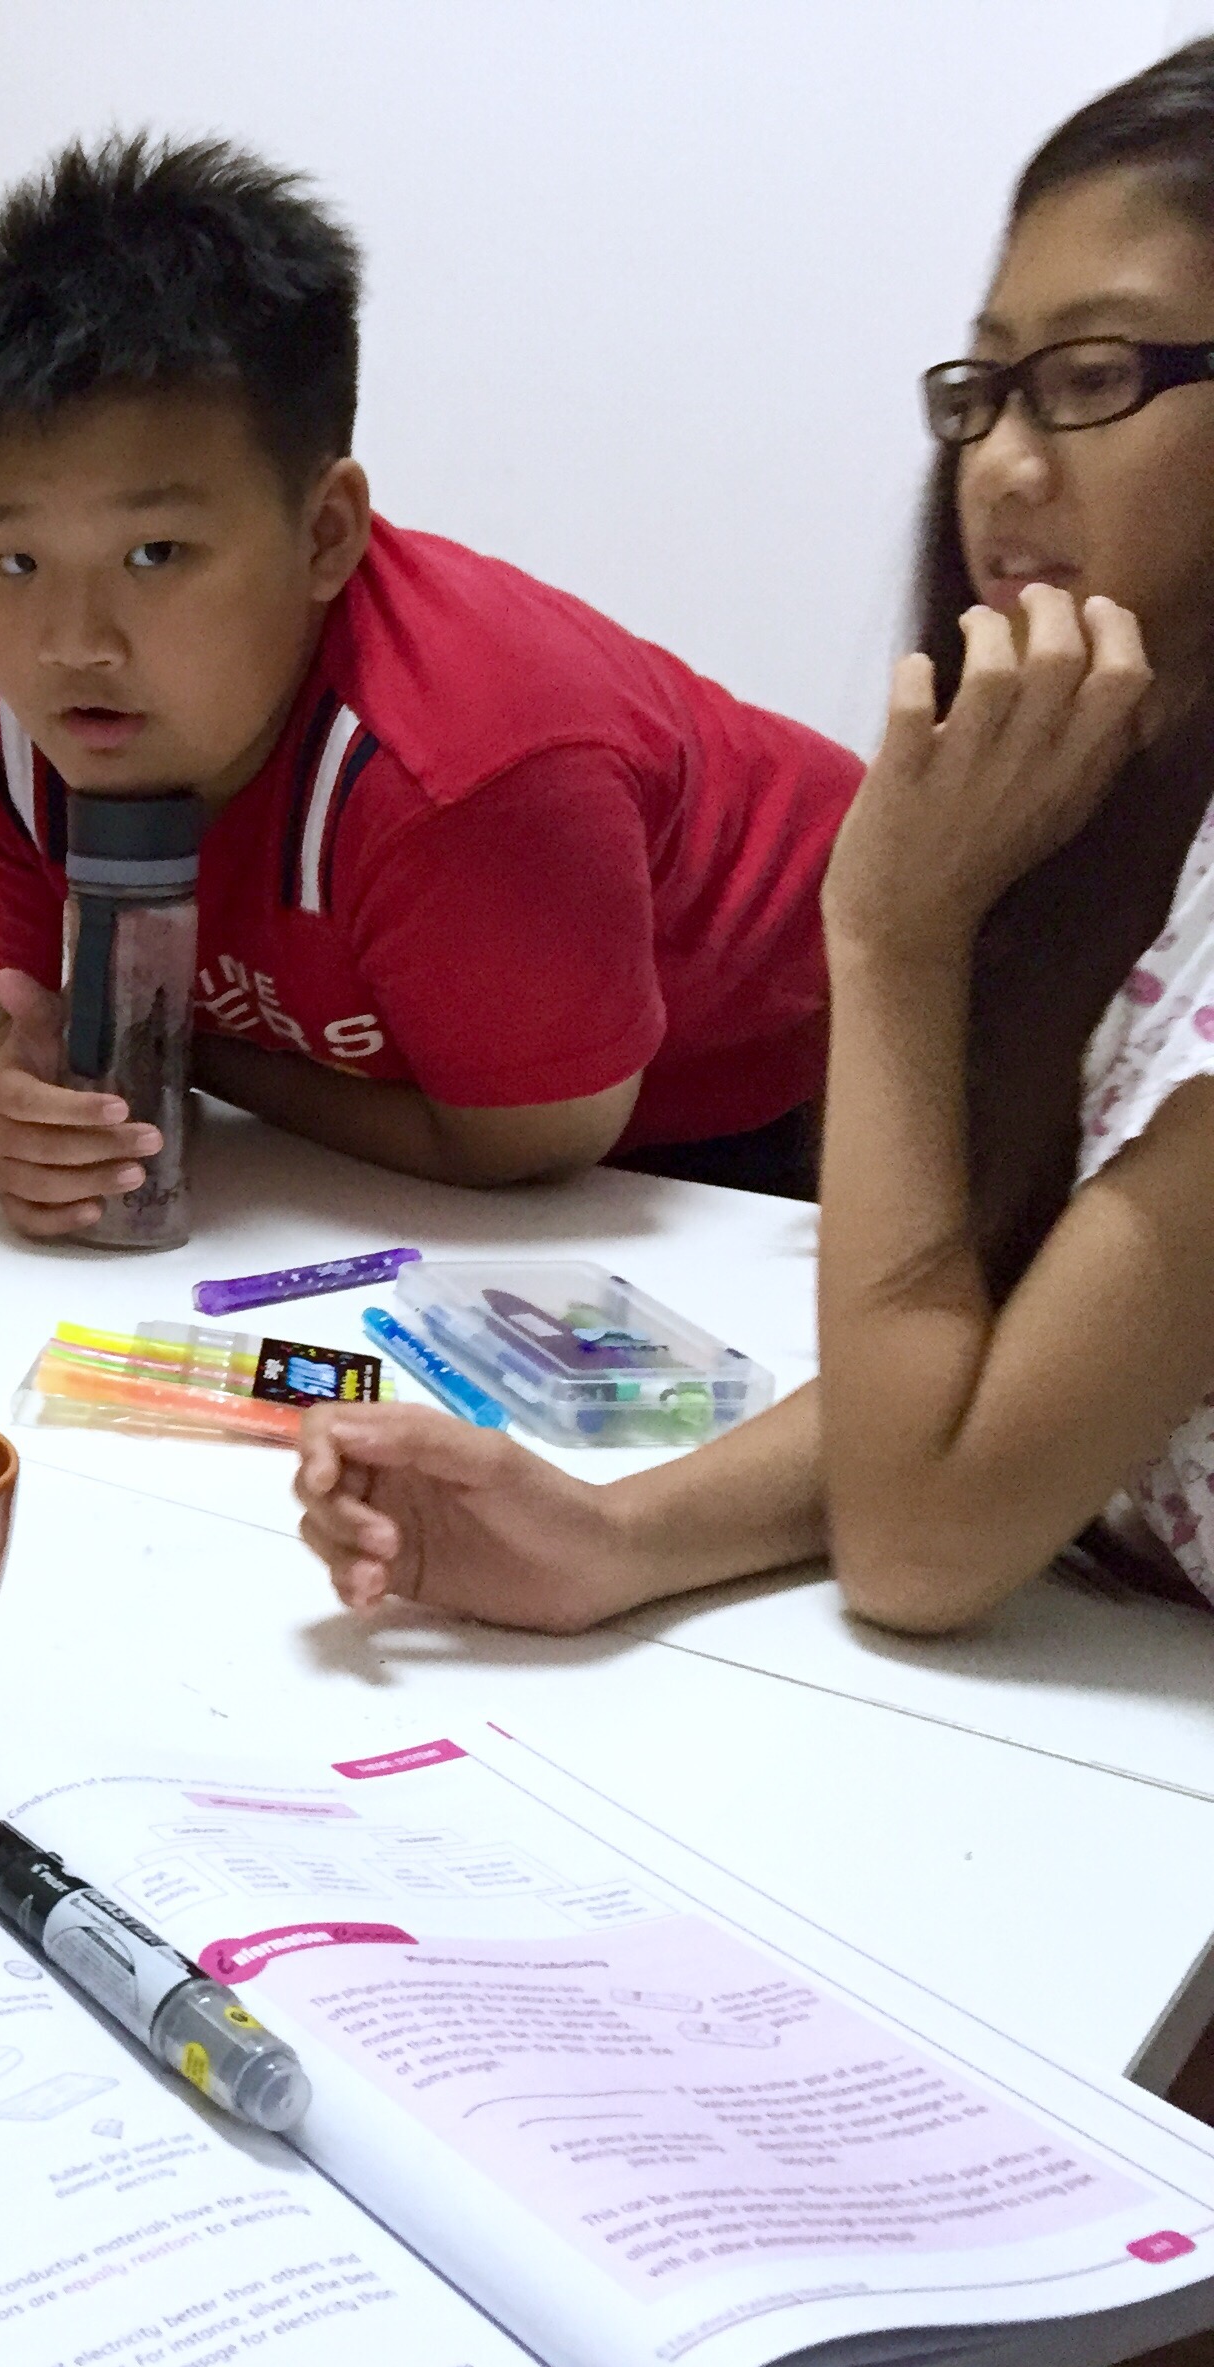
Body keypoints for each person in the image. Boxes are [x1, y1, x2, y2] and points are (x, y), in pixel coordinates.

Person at [297, 39, 1214, 1655]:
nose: (1001, 463)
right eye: (984, 388)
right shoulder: (1101, 794)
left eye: (1089, 380)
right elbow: (994, 1370)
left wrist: (891, 928)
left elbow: (921, 1536)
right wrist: (610, 1539)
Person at [0, 136, 861, 1231]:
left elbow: (532, 1141)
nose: (73, 645)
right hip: (484, 1129)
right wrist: (34, 1108)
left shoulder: (466, 767)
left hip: (801, 1078)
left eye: (155, 555)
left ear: (326, 534)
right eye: (16, 561)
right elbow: (51, 1028)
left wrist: (187, 1058)